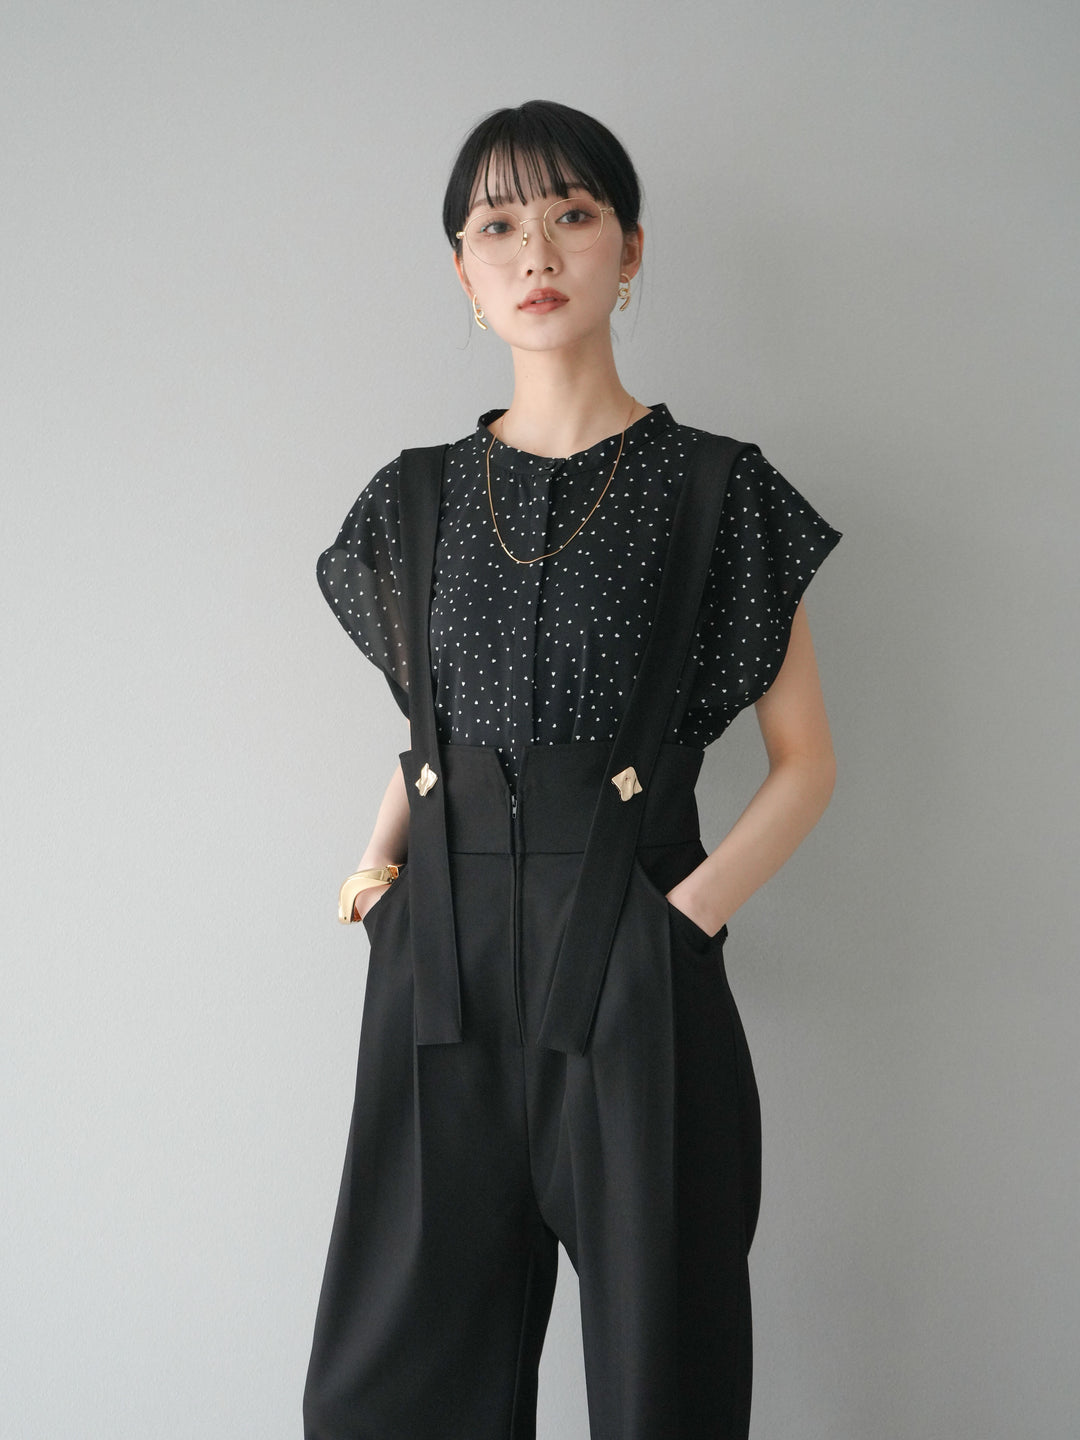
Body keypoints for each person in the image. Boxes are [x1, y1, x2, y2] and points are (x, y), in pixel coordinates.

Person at [303, 100, 842, 1440]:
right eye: (498, 225)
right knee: (391, 1394)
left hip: (635, 966)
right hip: (437, 975)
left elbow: (806, 764)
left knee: (664, 1381)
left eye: (573, 214)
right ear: (464, 272)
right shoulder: (413, 500)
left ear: (629, 248)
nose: (536, 250)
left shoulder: (718, 490)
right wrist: (375, 869)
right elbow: (428, 731)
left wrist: (685, 923)